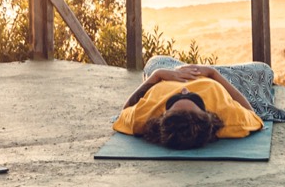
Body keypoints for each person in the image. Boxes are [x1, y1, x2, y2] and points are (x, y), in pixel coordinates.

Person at [112, 64, 264, 150]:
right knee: (262, 70)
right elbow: (251, 113)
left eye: (174, 99)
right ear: (208, 114)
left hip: (166, 67)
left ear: (162, 116)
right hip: (211, 74)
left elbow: (124, 112)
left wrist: (157, 75)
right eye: (195, 98)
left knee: (154, 61)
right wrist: (213, 73)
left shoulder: (144, 118)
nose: (184, 90)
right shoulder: (230, 119)